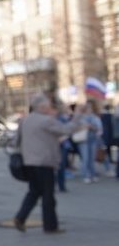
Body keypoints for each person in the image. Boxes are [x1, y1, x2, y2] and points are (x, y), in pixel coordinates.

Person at [13, 94, 85, 234]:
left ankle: (20, 217)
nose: (50, 108)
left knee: (34, 192)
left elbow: (16, 141)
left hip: (28, 162)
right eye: (48, 106)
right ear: (42, 107)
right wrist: (76, 117)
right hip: (44, 162)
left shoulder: (25, 120)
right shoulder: (46, 120)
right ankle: (50, 226)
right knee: (48, 195)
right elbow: (65, 130)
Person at [77, 101, 103, 183]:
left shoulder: (95, 118)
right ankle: (86, 175)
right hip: (83, 140)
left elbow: (100, 130)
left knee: (92, 158)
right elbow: (75, 128)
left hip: (93, 139)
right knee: (85, 158)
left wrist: (92, 127)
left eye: (90, 108)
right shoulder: (80, 117)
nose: (89, 109)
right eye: (87, 108)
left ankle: (92, 174)